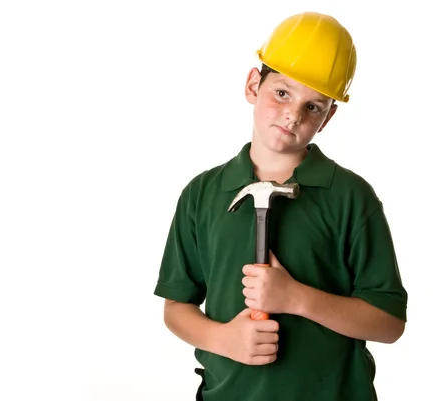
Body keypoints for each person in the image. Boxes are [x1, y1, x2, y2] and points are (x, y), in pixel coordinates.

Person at [153, 11, 408, 401]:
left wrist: (296, 298)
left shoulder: (351, 197)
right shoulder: (202, 193)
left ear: (328, 117)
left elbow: (389, 323)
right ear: (254, 85)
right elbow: (176, 305)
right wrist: (223, 339)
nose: (293, 115)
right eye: (283, 93)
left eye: (314, 106)